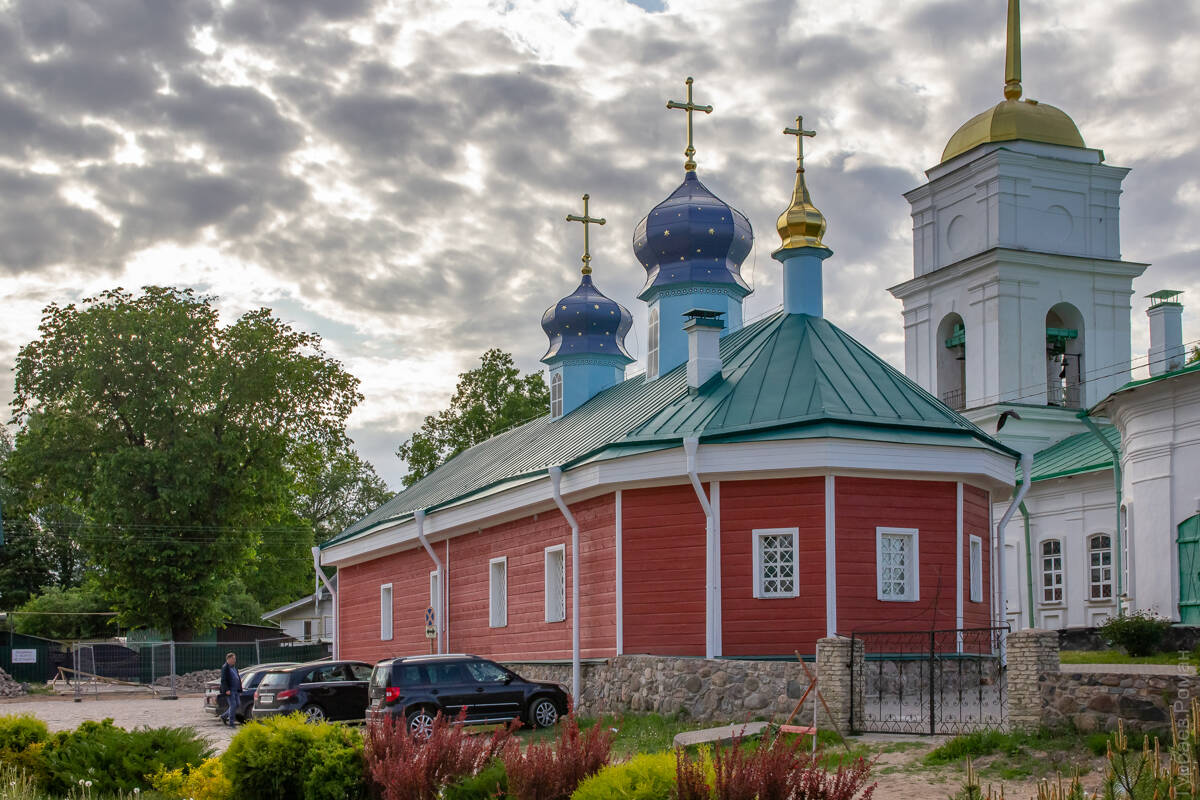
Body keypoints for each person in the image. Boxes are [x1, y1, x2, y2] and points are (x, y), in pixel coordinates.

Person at [219, 652, 242, 727]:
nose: (235, 660)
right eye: (233, 658)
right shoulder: (225, 667)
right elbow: (223, 680)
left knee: (237, 704)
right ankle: (231, 723)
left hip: (236, 690)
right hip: (230, 690)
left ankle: (223, 716)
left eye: (235, 658)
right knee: (233, 705)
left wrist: (240, 689)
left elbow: (237, 678)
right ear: (228, 659)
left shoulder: (234, 667)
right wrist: (226, 690)